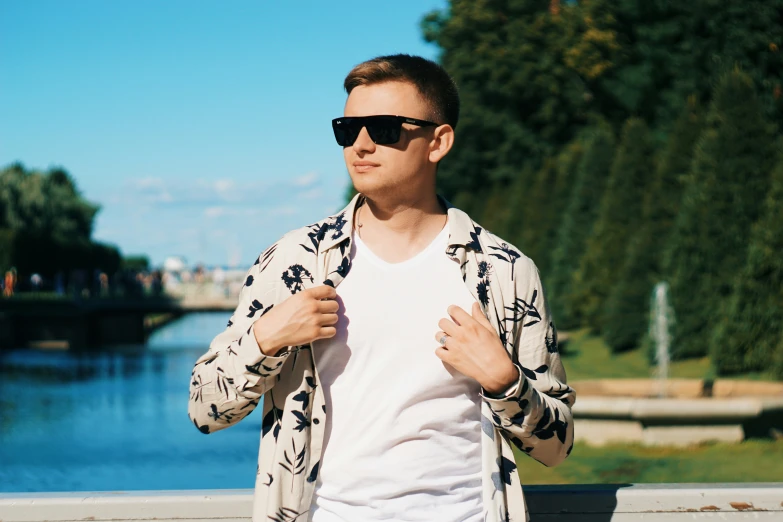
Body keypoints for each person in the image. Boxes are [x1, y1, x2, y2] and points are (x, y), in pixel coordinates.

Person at [188, 54, 575, 522]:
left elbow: (557, 446)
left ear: (438, 142)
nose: (361, 145)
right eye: (347, 130)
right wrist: (265, 338)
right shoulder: (295, 262)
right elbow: (205, 408)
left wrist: (504, 382)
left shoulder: (504, 272)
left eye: (385, 128)